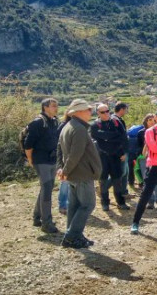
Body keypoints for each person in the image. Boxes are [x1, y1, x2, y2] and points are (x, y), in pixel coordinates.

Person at [56, 99, 101, 248]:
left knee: (74, 207)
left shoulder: (68, 126)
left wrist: (62, 169)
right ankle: (71, 236)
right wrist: (65, 170)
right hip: (81, 173)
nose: (90, 112)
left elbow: (60, 151)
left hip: (73, 174)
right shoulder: (79, 129)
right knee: (88, 205)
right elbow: (76, 154)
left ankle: (75, 236)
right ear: (79, 112)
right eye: (88, 109)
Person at [131, 110, 157, 234]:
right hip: (154, 166)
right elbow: (153, 147)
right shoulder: (150, 131)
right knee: (146, 194)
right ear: (156, 118)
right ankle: (135, 222)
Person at [23, 98, 60, 233]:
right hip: (41, 161)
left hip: (51, 160)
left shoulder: (54, 121)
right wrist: (31, 160)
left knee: (46, 189)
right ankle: (46, 223)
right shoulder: (38, 122)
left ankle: (37, 217)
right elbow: (28, 144)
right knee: (47, 191)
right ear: (45, 107)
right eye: (53, 106)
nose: (56, 108)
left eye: (57, 105)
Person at [90, 104, 129, 211]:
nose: (106, 113)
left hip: (116, 156)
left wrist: (124, 152)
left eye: (107, 111)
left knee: (117, 180)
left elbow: (123, 137)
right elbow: (99, 137)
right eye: (103, 112)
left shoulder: (116, 122)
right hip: (102, 157)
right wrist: (113, 136)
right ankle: (105, 203)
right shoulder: (94, 125)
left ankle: (121, 202)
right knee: (102, 180)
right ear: (98, 113)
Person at [112, 102, 131, 195]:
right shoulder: (115, 120)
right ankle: (104, 186)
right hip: (121, 151)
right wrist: (121, 152)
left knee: (125, 172)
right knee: (121, 173)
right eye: (126, 109)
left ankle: (124, 192)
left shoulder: (118, 120)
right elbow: (117, 138)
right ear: (122, 109)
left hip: (124, 151)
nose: (126, 111)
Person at [57, 111, 72, 215]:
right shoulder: (63, 126)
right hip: (64, 160)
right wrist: (60, 165)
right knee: (65, 183)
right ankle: (63, 205)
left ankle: (70, 204)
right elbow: (58, 146)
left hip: (74, 159)